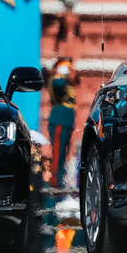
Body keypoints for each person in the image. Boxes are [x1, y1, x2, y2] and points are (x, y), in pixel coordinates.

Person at [47, 59, 76, 189]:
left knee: (64, 153)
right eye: (67, 69)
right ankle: (54, 181)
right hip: (58, 122)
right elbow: (58, 85)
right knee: (57, 153)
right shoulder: (56, 80)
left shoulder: (69, 85)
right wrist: (62, 74)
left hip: (67, 123)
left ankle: (60, 179)